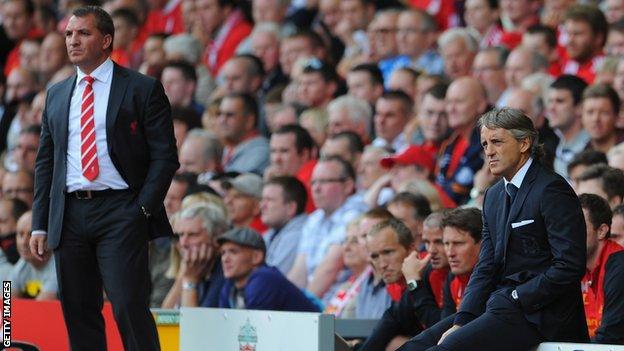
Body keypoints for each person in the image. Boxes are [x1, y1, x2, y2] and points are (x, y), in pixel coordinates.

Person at [30, 6, 178, 351]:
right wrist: (40, 223)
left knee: (128, 305)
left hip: (121, 210)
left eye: (83, 33)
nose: (73, 40)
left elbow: (165, 156)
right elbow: (46, 162)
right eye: (69, 34)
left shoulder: (142, 88)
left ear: (106, 40)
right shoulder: (56, 93)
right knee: (78, 310)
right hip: (68, 214)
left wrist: (142, 209)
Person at [415, 107, 588, 350]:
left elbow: (570, 265)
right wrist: (462, 319)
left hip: (539, 315)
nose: (489, 152)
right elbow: (486, 265)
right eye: (485, 144)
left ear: (524, 143)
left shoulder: (551, 189)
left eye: (496, 142)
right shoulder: (494, 195)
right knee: (416, 346)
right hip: (499, 306)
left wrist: (517, 296)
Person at [218, 227, 320, 312]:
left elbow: (253, 330)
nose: (225, 259)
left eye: (233, 252)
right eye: (223, 253)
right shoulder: (230, 285)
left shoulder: (264, 279)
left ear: (256, 257)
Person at [578, 193, 624, 344]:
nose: (568, 233)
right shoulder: (569, 266)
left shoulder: (620, 266)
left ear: (602, 231)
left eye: (577, 225)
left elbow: (611, 336)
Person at [261, 176, 309, 275]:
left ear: (291, 208)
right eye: (263, 200)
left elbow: (272, 279)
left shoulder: (297, 235)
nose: (262, 205)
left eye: (269, 200)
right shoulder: (271, 232)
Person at [10, 211, 57, 300]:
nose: (24, 242)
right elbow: (5, 302)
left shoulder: (58, 266)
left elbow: (40, 308)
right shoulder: (22, 263)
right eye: (20, 234)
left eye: (31, 235)